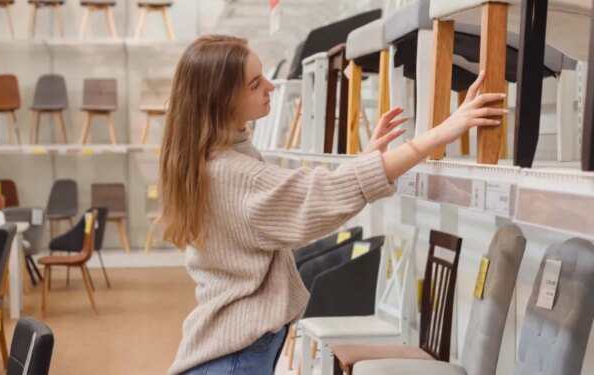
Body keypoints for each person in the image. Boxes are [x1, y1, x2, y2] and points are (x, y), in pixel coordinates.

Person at [160, 35, 506, 375]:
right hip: (235, 359)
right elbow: (317, 195)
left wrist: (365, 161)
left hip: (234, 352)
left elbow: (293, 205)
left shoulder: (219, 154)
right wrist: (444, 132)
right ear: (223, 100)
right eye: (255, 83)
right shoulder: (233, 174)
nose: (271, 86)